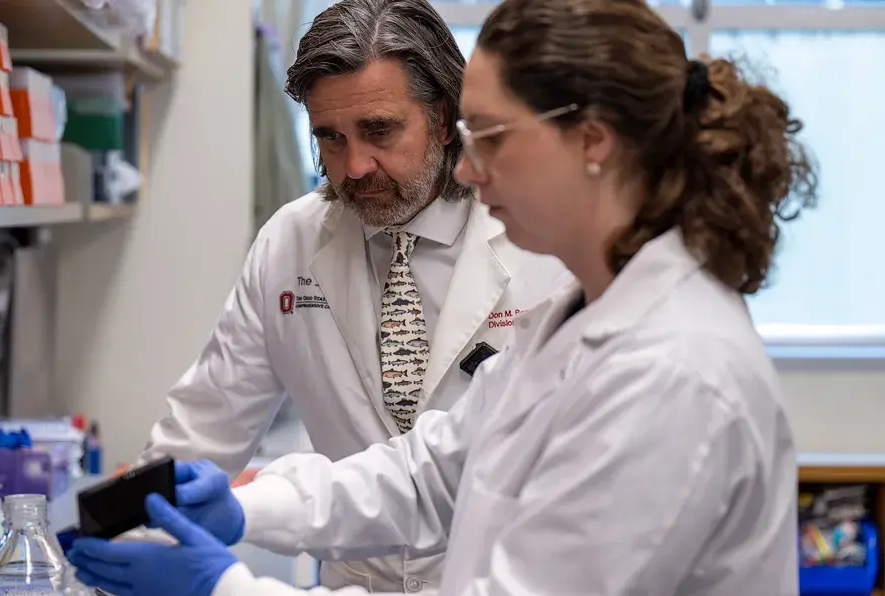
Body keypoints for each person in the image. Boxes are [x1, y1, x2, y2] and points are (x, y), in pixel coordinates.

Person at [64, 0, 819, 594]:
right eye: (330, 137)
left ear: (591, 140)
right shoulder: (578, 316)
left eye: (488, 135)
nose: (468, 170)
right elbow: (431, 473)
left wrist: (225, 588)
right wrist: (243, 509)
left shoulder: (671, 372)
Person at [0, 1, 568, 595]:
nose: (353, 167)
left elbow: (452, 469)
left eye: (379, 130)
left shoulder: (541, 244)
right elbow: (199, 433)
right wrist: (55, 555)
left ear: (441, 116)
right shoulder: (293, 240)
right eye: (330, 137)